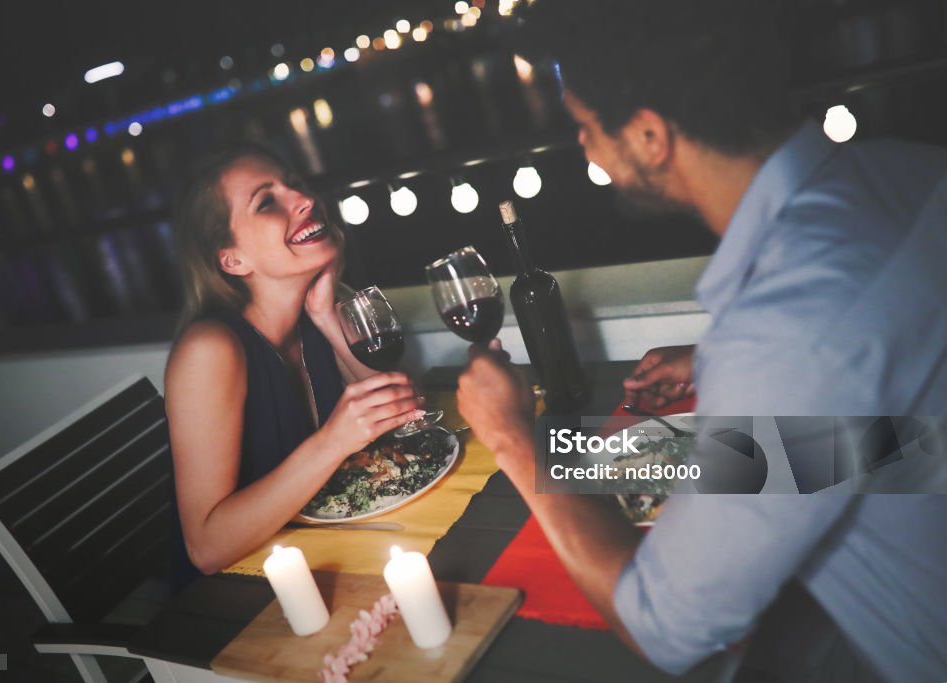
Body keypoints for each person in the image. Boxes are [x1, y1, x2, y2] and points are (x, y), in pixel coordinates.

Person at [457, 2, 947, 681]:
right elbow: (900, 426)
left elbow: (664, 624)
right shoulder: (910, 171)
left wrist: (514, 439)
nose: (585, 150)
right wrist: (716, 362)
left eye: (585, 128)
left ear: (651, 136)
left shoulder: (786, 333)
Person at [165, 144, 424, 592]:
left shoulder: (319, 308)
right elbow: (205, 549)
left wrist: (326, 315)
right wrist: (334, 442)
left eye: (296, 184)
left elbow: (405, 417)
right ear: (232, 260)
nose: (305, 200)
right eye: (267, 202)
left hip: (326, 558)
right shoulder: (209, 350)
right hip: (239, 598)